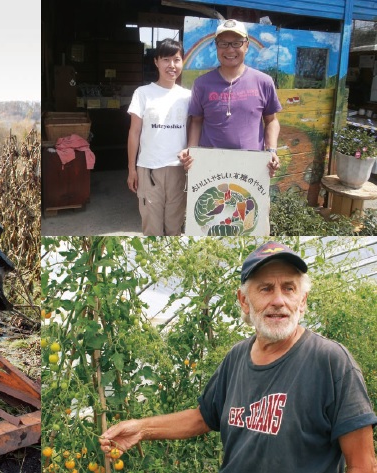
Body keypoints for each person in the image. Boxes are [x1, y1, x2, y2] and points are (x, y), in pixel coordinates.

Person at [99, 241, 377, 472]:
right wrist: (142, 429)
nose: (278, 300)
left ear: (302, 301)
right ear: (244, 300)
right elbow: (204, 417)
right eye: (266, 288)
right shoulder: (236, 358)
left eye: (289, 288)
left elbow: (363, 464)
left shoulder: (331, 362)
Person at [178, 20, 281, 178]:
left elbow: (272, 121)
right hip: (210, 167)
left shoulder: (263, 82)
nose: (230, 49)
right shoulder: (201, 84)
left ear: (246, 46)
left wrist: (271, 150)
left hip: (251, 168)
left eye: (236, 43)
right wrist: (192, 152)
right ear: (217, 46)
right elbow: (196, 121)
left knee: (247, 204)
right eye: (223, 44)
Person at [127, 38, 191, 236]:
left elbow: (192, 131)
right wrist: (132, 169)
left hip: (178, 169)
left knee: (174, 226)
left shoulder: (188, 96)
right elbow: (134, 132)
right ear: (156, 62)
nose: (171, 65)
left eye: (177, 59)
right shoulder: (143, 93)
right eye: (166, 59)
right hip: (149, 168)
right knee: (152, 227)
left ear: (183, 62)